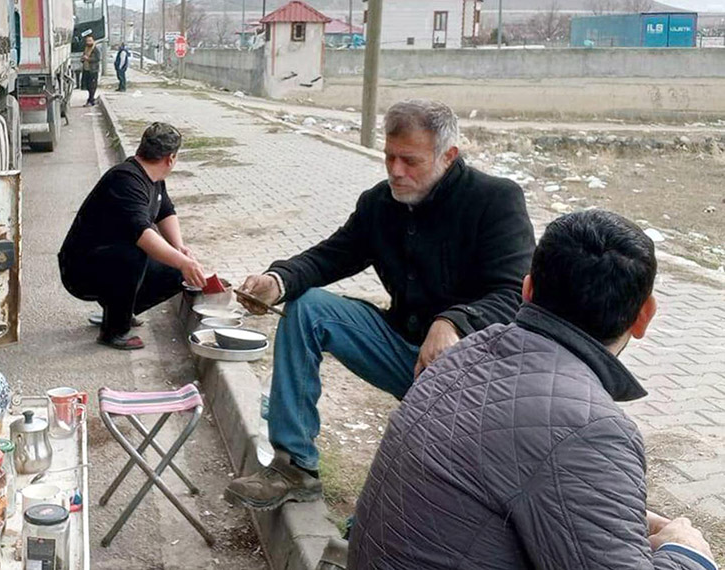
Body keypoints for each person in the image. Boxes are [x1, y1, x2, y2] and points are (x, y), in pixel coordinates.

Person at [346, 209, 717, 570]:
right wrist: (687, 553)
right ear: (644, 317)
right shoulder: (591, 430)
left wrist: (625, 521)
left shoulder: (464, 352)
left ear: (527, 289)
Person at [224, 99, 536, 510]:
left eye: (410, 160)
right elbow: (331, 256)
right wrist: (278, 281)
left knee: (421, 490)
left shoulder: (494, 201)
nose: (395, 171)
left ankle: (377, 527)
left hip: (471, 373)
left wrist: (454, 322)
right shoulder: (380, 204)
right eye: (389, 156)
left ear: (448, 156)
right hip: (401, 348)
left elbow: (515, 293)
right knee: (308, 308)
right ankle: (293, 465)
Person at [58, 122, 205, 350]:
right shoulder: (125, 180)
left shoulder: (153, 180)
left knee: (177, 273)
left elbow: (165, 211)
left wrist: (180, 249)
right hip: (79, 269)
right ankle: (113, 331)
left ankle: (120, 311)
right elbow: (142, 234)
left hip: (107, 259)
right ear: (171, 158)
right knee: (134, 253)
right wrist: (184, 261)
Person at [80, 35, 101, 106]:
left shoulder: (95, 49)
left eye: (90, 41)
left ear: (93, 41)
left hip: (93, 70)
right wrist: (83, 59)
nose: (88, 42)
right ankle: (91, 100)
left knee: (92, 86)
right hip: (86, 69)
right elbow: (83, 56)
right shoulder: (86, 48)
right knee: (88, 86)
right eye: (87, 41)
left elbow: (97, 59)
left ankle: (91, 100)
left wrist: (88, 59)